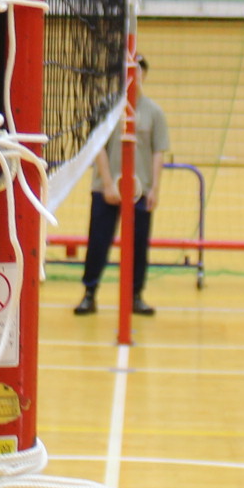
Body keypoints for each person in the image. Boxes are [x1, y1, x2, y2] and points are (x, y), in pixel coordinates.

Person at [74, 57, 169, 319]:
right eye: (128, 71)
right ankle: (89, 293)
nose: (132, 75)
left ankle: (135, 295)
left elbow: (158, 152)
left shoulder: (154, 112)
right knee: (98, 242)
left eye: (137, 71)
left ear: (144, 75)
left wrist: (154, 189)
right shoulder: (106, 108)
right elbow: (97, 148)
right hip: (105, 190)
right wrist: (106, 183)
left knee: (138, 245)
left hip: (140, 191)